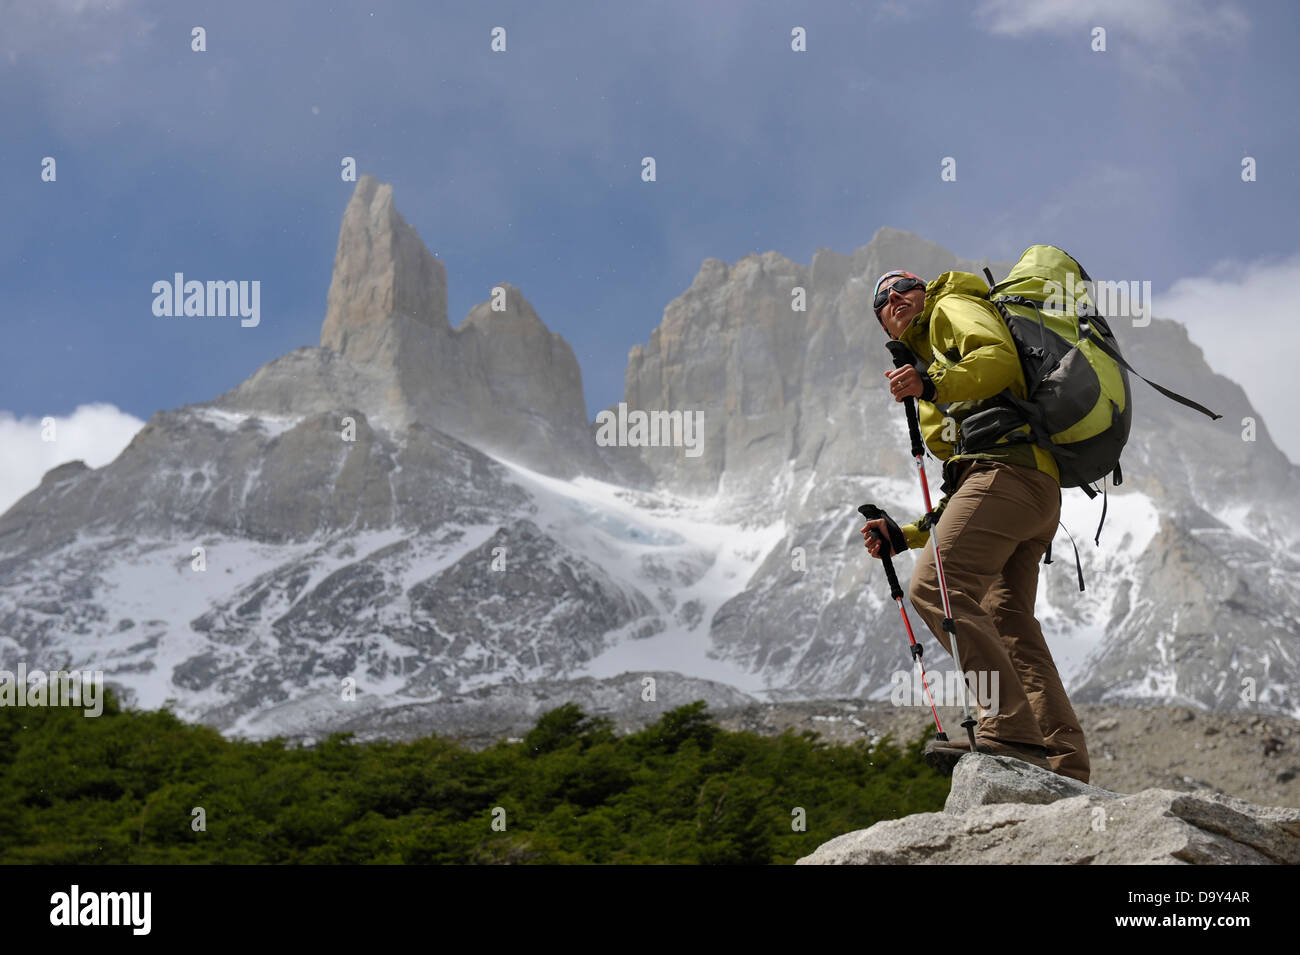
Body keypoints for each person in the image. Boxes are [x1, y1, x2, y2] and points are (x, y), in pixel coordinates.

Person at [860, 268, 1090, 783]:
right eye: (882, 297)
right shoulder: (928, 355)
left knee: (936, 585)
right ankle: (1062, 765)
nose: (894, 295)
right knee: (1010, 626)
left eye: (903, 284)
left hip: (1007, 475)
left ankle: (1008, 727)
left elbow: (997, 358)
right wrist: (906, 536)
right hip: (1026, 489)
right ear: (883, 326)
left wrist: (934, 381)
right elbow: (964, 489)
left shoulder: (948, 308)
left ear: (924, 291)